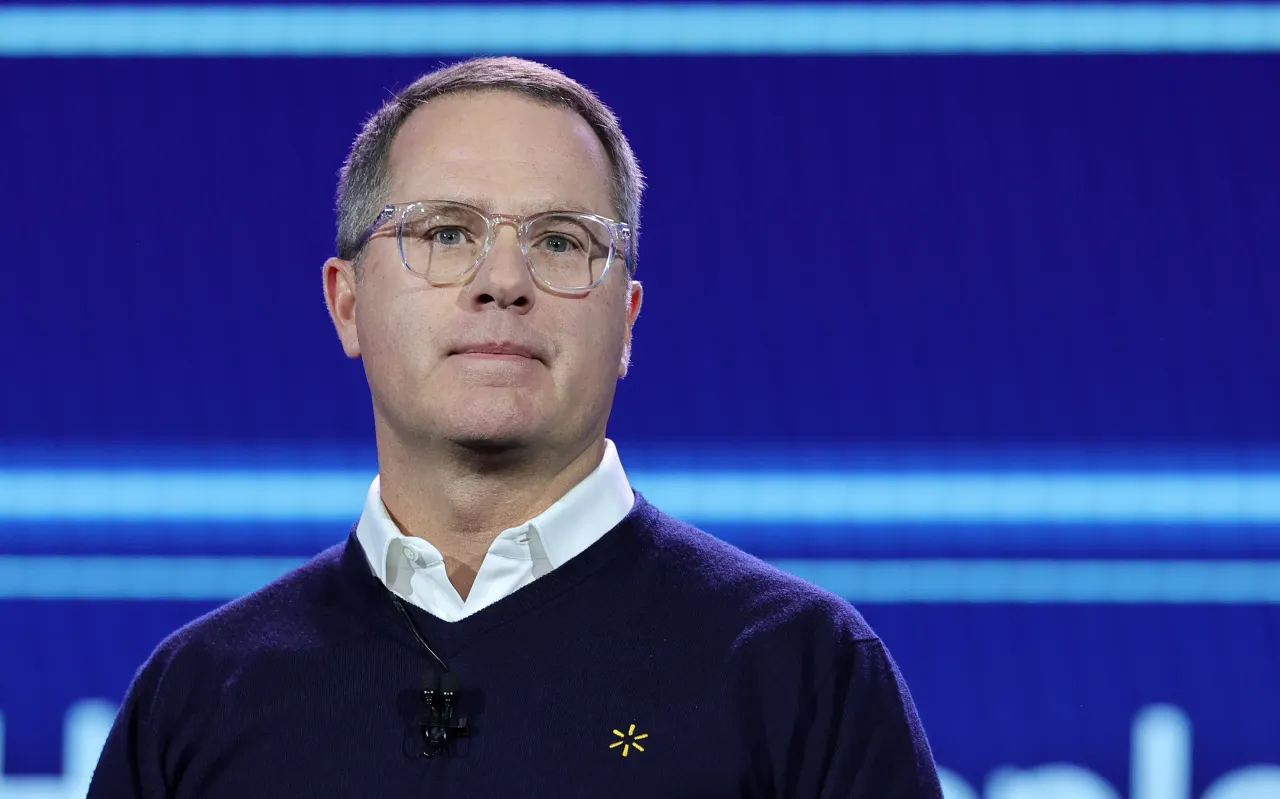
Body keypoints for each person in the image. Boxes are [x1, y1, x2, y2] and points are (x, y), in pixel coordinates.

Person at [87, 57, 943, 798]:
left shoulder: (803, 671)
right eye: (447, 232)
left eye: (563, 242)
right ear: (346, 303)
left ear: (628, 321)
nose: (503, 280)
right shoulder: (198, 698)